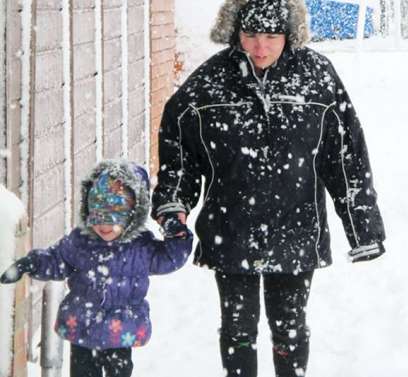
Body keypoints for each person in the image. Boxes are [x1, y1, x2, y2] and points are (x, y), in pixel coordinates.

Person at [152, 0, 386, 376]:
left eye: (271, 37)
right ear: (235, 33)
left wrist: (363, 228)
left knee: (289, 328)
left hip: (297, 227)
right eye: (251, 36)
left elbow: (345, 157)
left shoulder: (317, 76)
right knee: (238, 328)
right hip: (231, 227)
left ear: (288, 35)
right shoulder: (211, 81)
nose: (260, 47)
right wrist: (173, 205)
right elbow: (179, 148)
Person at [0, 159, 193, 377]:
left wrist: (178, 236)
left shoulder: (141, 247)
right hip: (82, 329)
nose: (104, 227)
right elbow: (57, 259)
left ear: (132, 216)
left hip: (120, 336)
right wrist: (32, 263)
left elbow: (169, 258)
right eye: (98, 217)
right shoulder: (82, 241)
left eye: (113, 220)